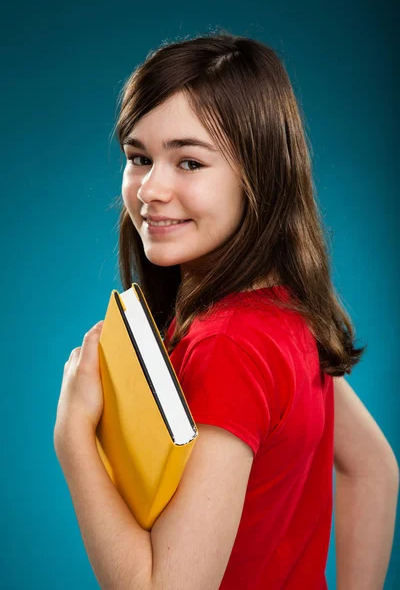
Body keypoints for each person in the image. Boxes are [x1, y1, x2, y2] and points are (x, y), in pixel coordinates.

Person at [54, 32, 399, 590]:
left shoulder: (229, 346)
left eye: (189, 162)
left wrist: (73, 438)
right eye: (138, 158)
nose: (150, 189)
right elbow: (374, 470)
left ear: (258, 176)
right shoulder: (283, 312)